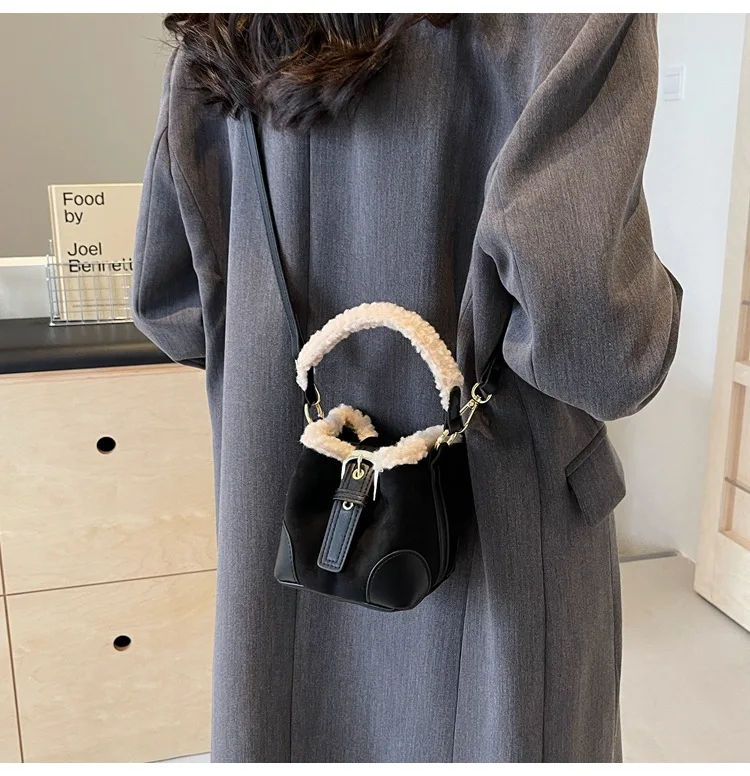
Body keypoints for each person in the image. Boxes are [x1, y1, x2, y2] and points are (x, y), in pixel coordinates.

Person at [132, 13, 682, 763]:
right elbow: (602, 352)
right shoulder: (572, 22)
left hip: (289, 514)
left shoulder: (228, 32)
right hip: (506, 535)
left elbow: (172, 310)